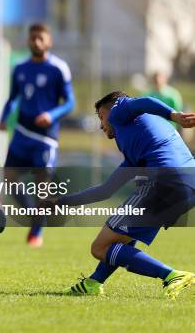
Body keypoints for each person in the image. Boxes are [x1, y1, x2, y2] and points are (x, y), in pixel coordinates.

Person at [48, 92, 195, 298]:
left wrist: (173, 115)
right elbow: (105, 190)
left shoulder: (119, 109)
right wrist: (62, 202)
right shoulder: (136, 149)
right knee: (125, 237)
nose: (101, 125)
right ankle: (94, 282)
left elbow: (144, 101)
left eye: (101, 117)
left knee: (99, 247)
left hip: (165, 180)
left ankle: (171, 275)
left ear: (112, 108)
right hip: (189, 187)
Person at [0, 23, 75, 246]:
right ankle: (35, 216)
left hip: (45, 138)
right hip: (21, 132)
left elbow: (70, 102)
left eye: (41, 38)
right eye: (33, 38)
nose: (36, 42)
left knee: (43, 185)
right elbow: (12, 98)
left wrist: (52, 114)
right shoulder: (20, 68)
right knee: (10, 178)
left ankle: (36, 232)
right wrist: (3, 118)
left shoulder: (58, 68)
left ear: (49, 41)